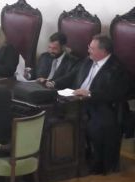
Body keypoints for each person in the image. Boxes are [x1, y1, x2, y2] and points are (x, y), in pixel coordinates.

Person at [48, 35, 129, 174]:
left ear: (103, 51)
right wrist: (54, 82)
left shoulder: (116, 69)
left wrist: (90, 93)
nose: (88, 50)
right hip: (76, 101)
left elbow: (114, 93)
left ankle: (95, 164)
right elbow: (72, 75)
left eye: (91, 48)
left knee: (94, 126)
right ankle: (61, 160)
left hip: (101, 106)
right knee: (52, 117)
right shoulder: (88, 60)